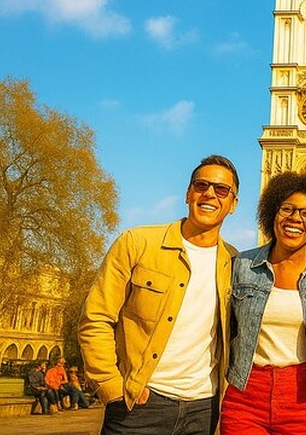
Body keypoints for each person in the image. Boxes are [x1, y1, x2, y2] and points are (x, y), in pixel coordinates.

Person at [79, 154, 239, 435]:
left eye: (221, 189)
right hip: (139, 405)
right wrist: (110, 386)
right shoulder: (137, 243)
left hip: (203, 409)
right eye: (201, 186)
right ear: (188, 194)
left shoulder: (236, 263)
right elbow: (96, 317)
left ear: (233, 204)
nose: (210, 194)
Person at [221, 172, 306, 434]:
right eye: (286, 209)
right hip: (246, 393)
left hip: (305, 398)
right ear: (273, 214)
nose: (295, 218)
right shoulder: (242, 265)